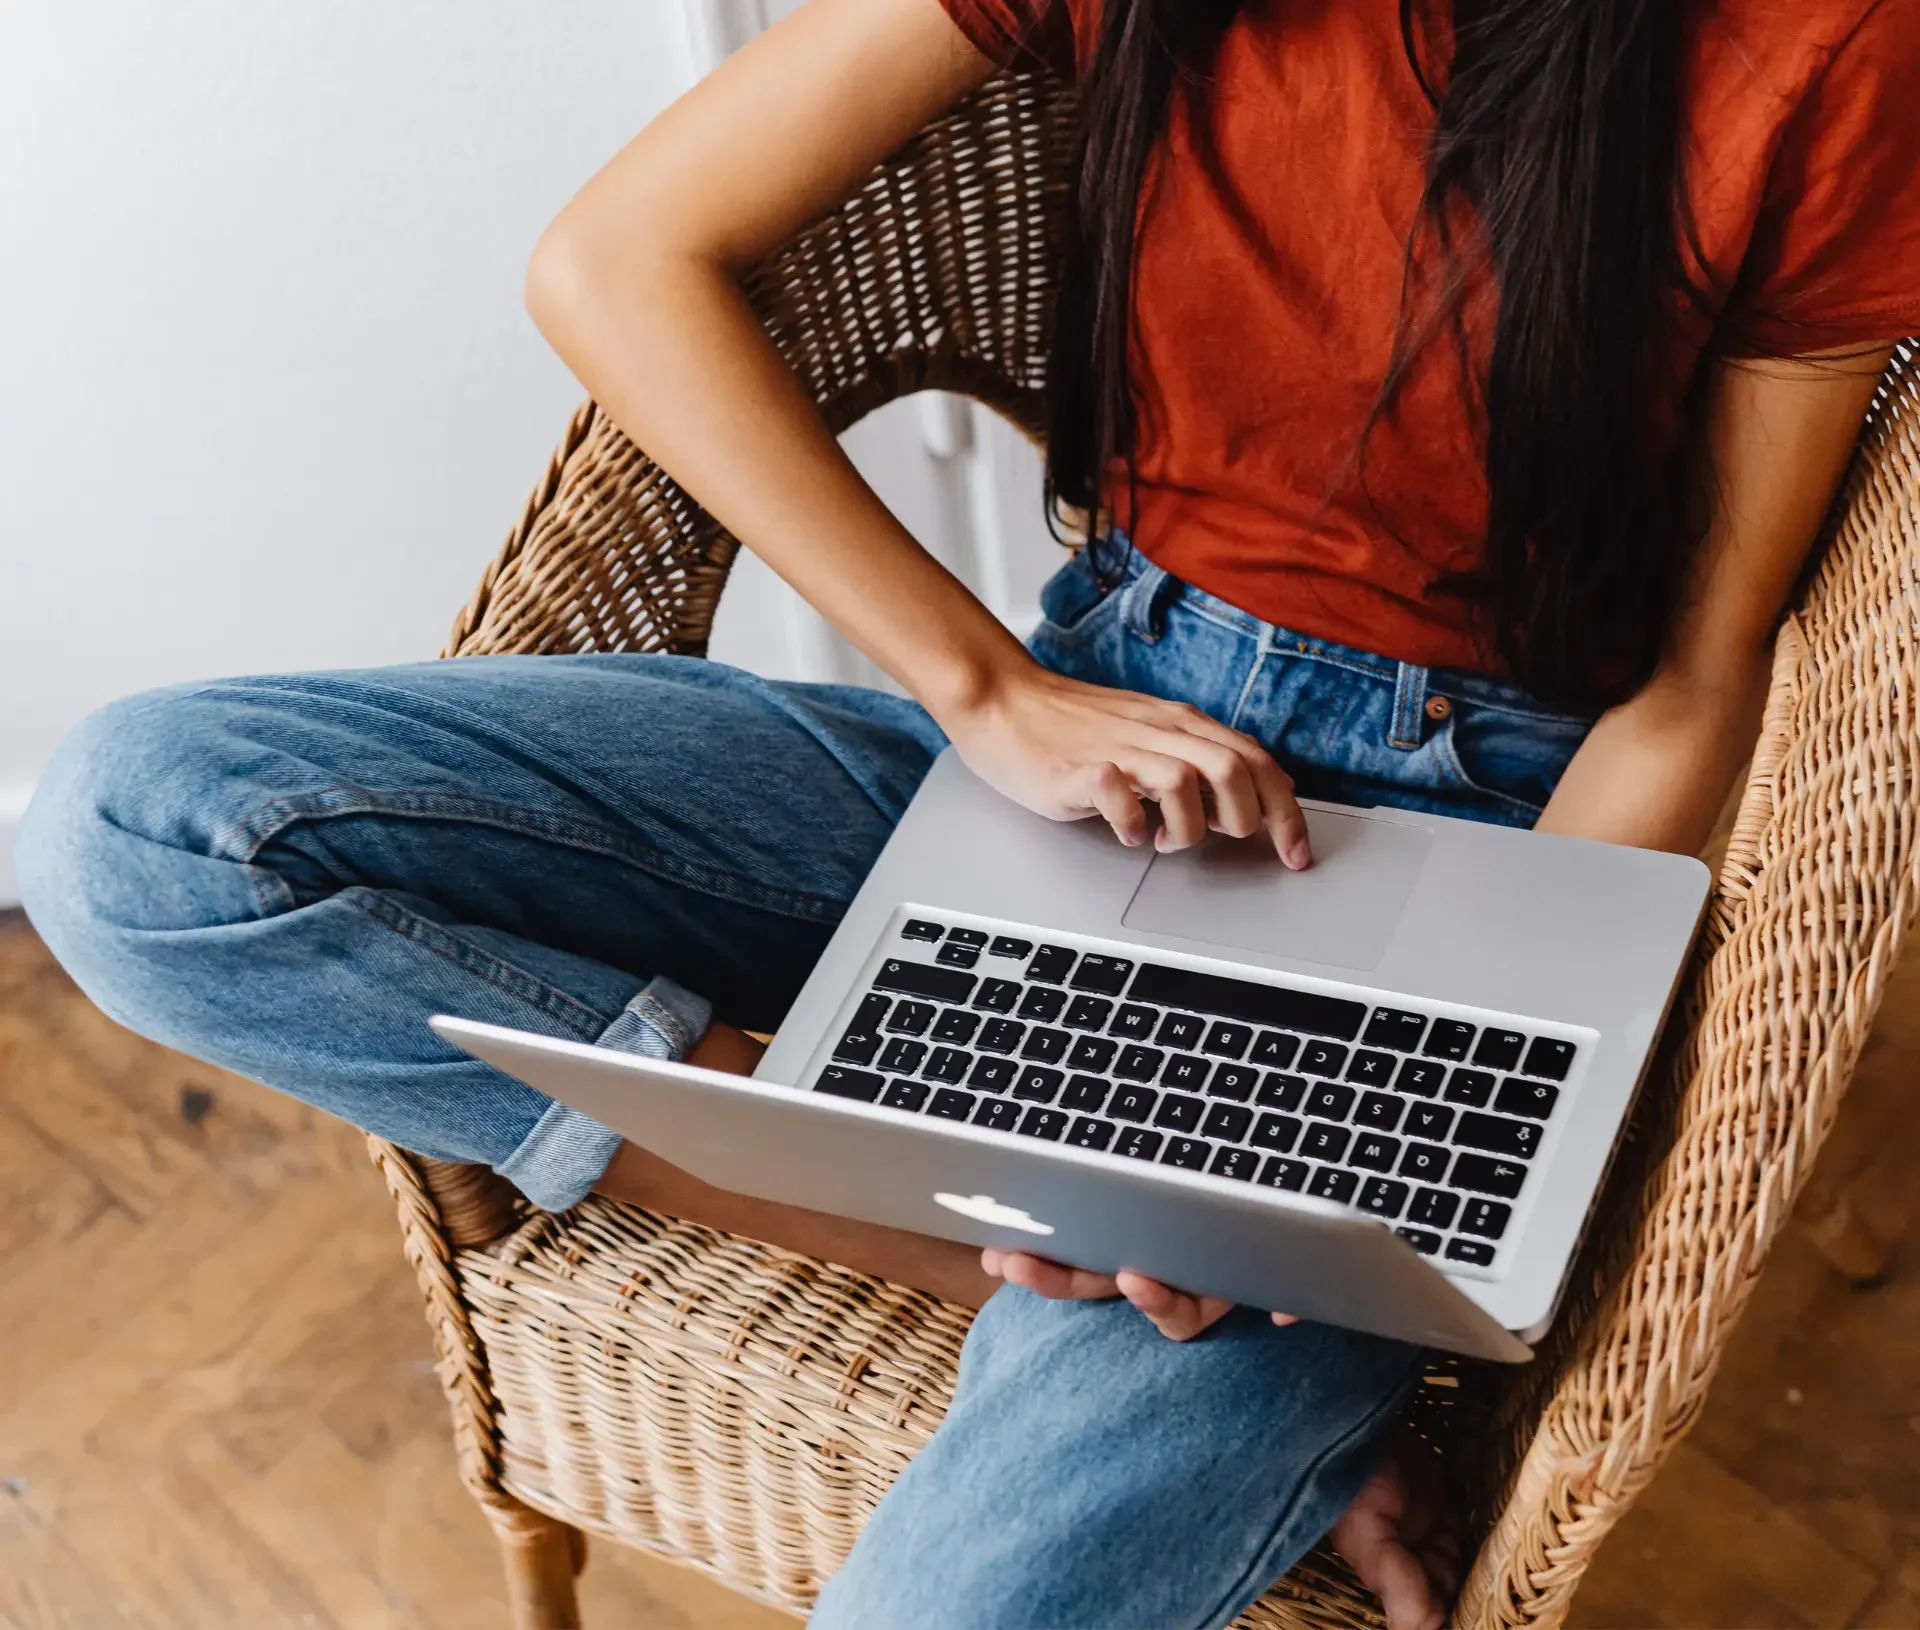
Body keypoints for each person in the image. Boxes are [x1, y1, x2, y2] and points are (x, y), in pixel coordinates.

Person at [18, 0, 1920, 1623]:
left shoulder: (1829, 44)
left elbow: (1694, 674)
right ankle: (949, 1214)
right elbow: (617, 257)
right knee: (130, 826)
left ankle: (1173, 1276)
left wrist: (1446, 1093)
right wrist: (984, 687)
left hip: (1475, 831)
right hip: (1064, 739)